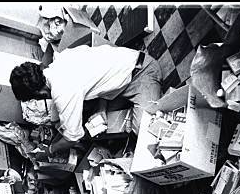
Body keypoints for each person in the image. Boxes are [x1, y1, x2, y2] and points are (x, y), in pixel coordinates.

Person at [9, 44, 163, 156]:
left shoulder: (63, 90)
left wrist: (49, 150)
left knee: (144, 133)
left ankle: (157, 100)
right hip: (121, 76)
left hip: (143, 73)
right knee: (96, 120)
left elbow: (73, 137)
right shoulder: (61, 59)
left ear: (39, 92)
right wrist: (101, 107)